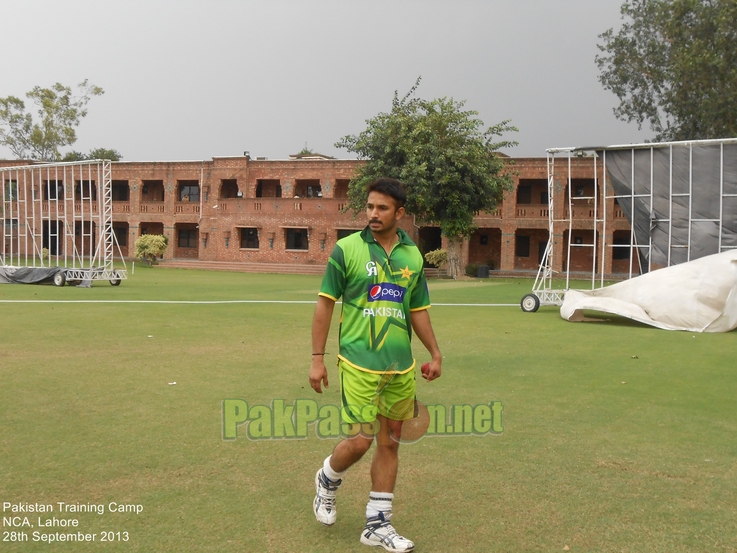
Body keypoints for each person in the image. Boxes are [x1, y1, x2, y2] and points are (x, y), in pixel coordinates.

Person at [309, 177, 442, 552]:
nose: (373, 214)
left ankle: (377, 524)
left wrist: (434, 353)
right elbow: (324, 304)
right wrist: (317, 359)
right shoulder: (346, 249)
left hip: (399, 367)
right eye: (369, 207)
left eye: (382, 208)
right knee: (361, 440)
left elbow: (417, 310)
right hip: (357, 363)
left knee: (390, 443)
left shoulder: (412, 256)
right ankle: (328, 479)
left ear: (400, 213)